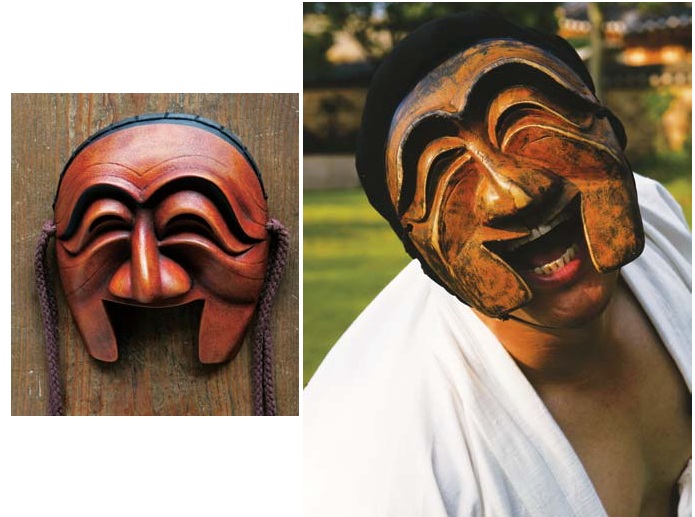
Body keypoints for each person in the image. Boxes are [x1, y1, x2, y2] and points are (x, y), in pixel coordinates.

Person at [304, 12, 691, 517]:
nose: (512, 194)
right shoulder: (391, 473)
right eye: (444, 170)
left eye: (527, 122)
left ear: (609, 127)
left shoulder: (657, 217)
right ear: (422, 257)